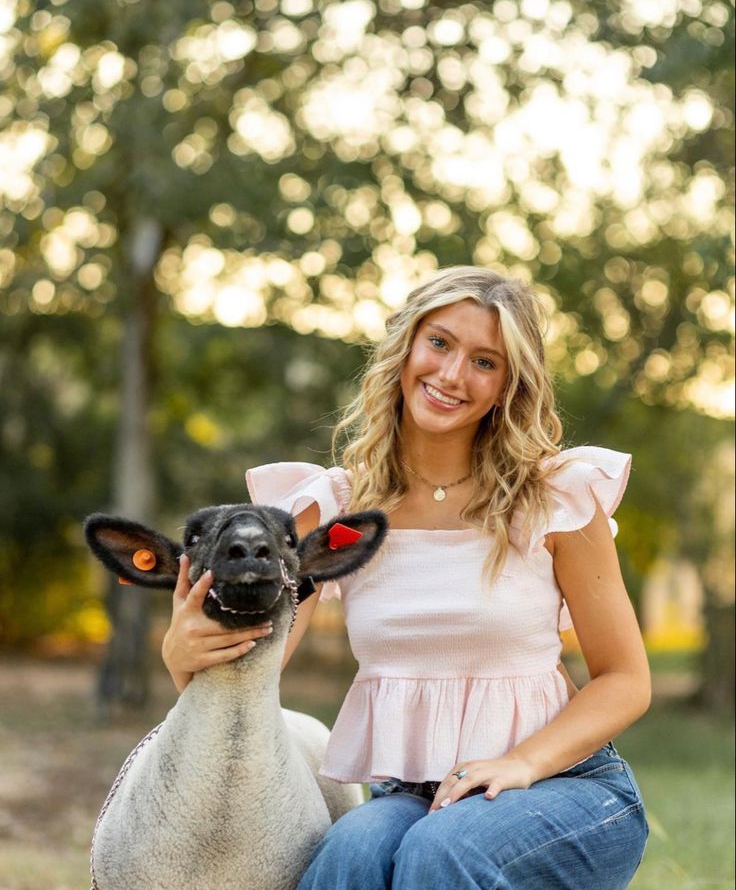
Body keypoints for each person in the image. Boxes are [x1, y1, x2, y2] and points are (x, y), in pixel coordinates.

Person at [163, 266, 651, 889]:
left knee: (438, 853)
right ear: (407, 347)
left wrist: (521, 762)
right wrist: (182, 653)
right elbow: (251, 668)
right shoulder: (336, 512)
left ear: (507, 386)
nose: (451, 375)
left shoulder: (553, 499)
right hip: (418, 794)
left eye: (485, 362)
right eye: (440, 343)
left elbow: (627, 680)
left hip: (567, 787)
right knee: (350, 854)